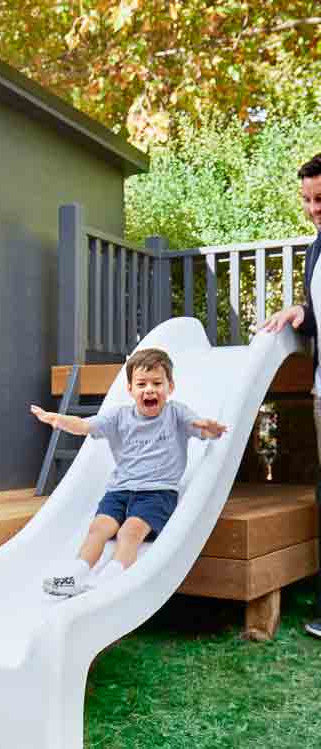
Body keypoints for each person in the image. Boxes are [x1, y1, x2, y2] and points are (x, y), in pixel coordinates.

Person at [31, 347, 228, 597]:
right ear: (130, 389)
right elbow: (84, 425)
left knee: (129, 532)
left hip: (157, 493)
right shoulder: (118, 416)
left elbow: (200, 427)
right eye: (142, 384)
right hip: (119, 491)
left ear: (170, 387)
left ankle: (112, 575)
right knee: (98, 529)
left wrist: (211, 429)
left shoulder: (176, 412)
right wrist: (59, 420)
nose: (149, 389)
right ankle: (77, 573)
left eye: (157, 383)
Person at [261, 152, 321, 638]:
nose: (313, 207)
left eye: (319, 198)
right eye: (306, 199)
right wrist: (301, 312)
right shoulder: (315, 249)